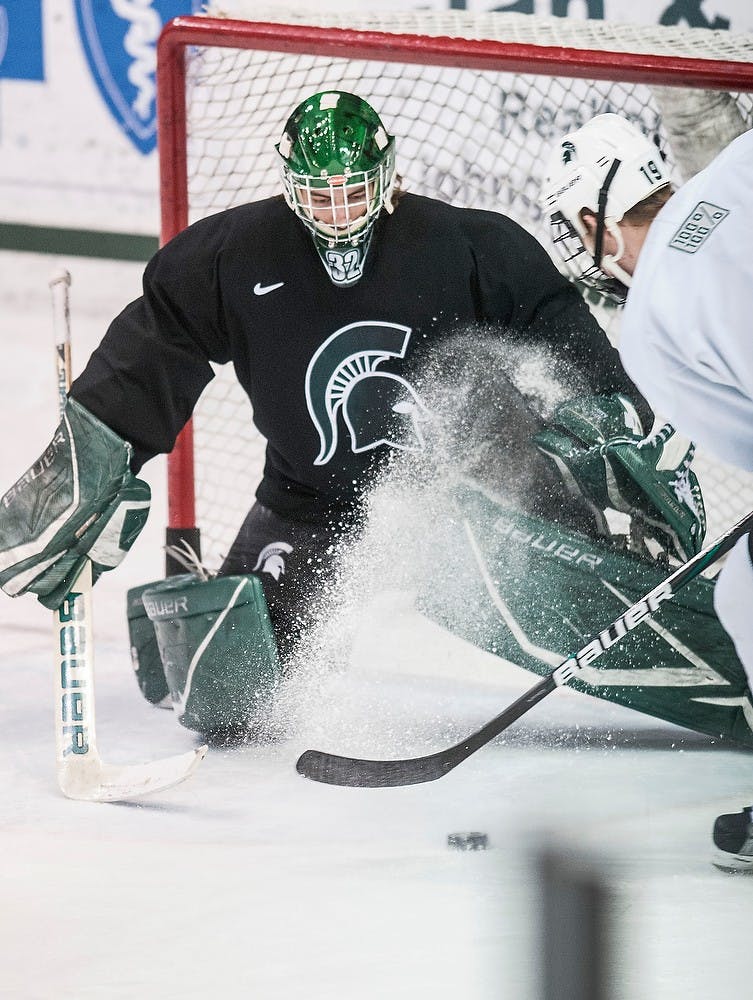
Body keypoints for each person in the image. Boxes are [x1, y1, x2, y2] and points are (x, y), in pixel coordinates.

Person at [0, 92, 702, 740]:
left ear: (387, 175)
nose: (338, 210)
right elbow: (149, 354)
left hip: (481, 502)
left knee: (640, 626)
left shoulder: (474, 246)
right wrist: (89, 458)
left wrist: (612, 438)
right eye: (320, 193)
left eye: (353, 190)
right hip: (310, 502)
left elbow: (570, 355)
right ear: (289, 183)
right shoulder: (229, 257)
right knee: (228, 702)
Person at [540, 112, 753, 871]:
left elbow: (738, 439)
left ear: (595, 217)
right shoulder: (735, 166)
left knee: (744, 598)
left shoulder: (652, 320)